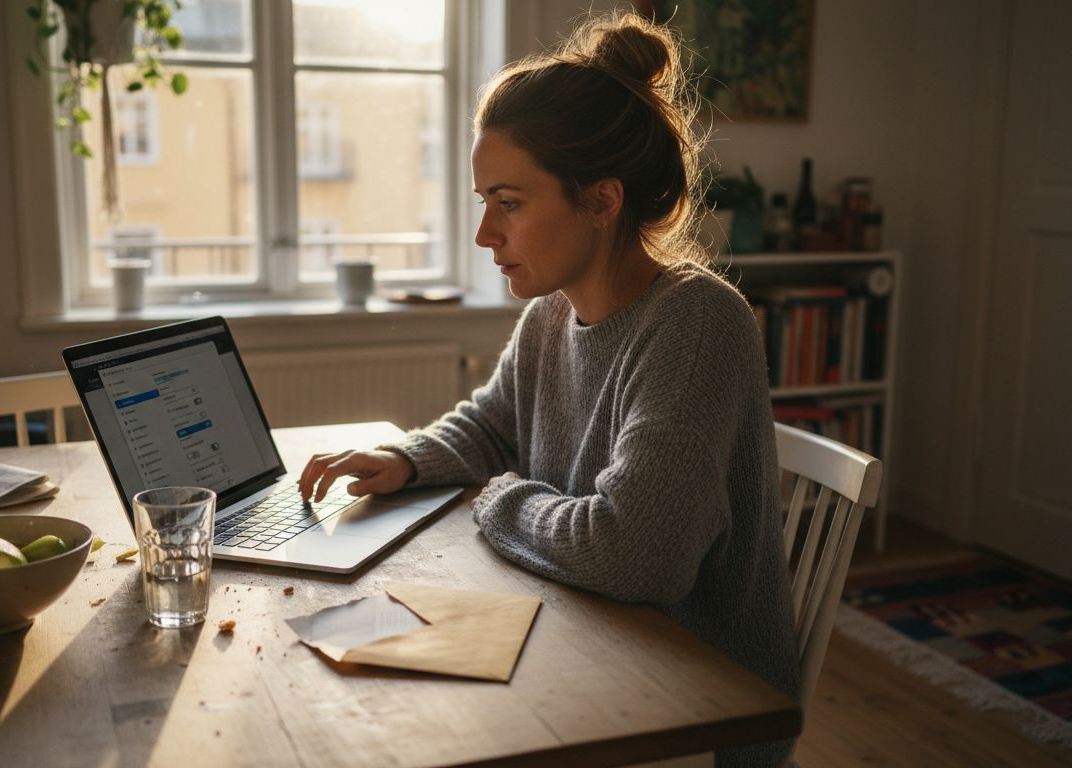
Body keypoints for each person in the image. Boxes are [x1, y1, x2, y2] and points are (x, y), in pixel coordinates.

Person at [300, 11, 797, 763]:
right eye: (483, 203)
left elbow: (636, 556)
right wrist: (404, 459)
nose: (484, 236)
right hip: (583, 641)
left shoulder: (697, 325)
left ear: (601, 201)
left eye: (509, 203)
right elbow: (493, 427)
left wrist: (500, 499)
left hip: (690, 709)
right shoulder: (551, 315)